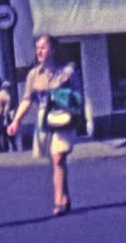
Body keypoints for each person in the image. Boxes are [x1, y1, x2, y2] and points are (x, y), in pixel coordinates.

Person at [7, 34, 82, 216]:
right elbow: (27, 99)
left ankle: (59, 201)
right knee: (56, 160)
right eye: (37, 48)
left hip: (64, 116)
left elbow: (78, 96)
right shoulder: (34, 74)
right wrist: (16, 121)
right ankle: (65, 196)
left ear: (53, 49)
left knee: (58, 157)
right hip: (45, 118)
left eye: (43, 47)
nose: (39, 51)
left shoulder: (68, 72)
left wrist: (75, 114)